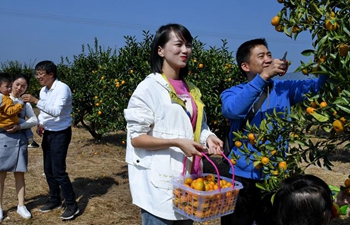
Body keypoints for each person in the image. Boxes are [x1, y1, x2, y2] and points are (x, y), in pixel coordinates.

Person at [220, 38, 328, 225]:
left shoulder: (284, 90)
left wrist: (327, 60)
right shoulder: (233, 92)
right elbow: (233, 110)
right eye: (261, 56)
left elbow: (320, 88)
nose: (268, 59)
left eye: (269, 54)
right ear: (245, 66)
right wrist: (263, 78)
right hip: (239, 178)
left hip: (274, 176)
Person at [124, 23, 223, 225]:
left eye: (188, 45)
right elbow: (137, 139)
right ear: (160, 50)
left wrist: (209, 137)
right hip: (158, 182)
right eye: (179, 44)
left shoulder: (191, 89)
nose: (185, 50)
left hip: (189, 180)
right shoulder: (148, 88)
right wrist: (177, 143)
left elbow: (196, 126)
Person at [21, 60, 79, 220]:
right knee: (48, 169)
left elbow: (57, 111)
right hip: (49, 133)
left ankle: (72, 205)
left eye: (41, 74)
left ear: (51, 74)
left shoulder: (62, 89)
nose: (38, 77)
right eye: (37, 74)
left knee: (59, 171)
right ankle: (55, 199)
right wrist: (41, 123)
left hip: (61, 133)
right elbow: (45, 113)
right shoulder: (43, 91)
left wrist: (34, 101)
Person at [0, 73, 38, 220]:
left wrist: (20, 126)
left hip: (19, 141)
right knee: (0, 175)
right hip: (2, 139)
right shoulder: (2, 99)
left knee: (19, 173)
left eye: (23, 86)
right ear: (10, 84)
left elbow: (34, 119)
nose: (19, 88)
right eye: (16, 84)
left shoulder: (24, 103)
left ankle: (21, 205)